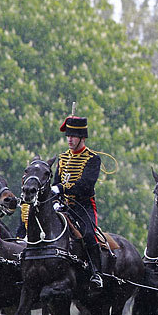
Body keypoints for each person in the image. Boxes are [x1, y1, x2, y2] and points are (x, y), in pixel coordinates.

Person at [53, 115, 104, 287]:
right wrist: (55, 200)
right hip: (62, 206)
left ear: (82, 137)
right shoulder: (62, 158)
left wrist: (62, 188)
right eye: (68, 136)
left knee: (89, 235)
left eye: (73, 136)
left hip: (83, 207)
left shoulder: (92, 158)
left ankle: (96, 273)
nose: (69, 139)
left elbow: (86, 186)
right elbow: (55, 183)